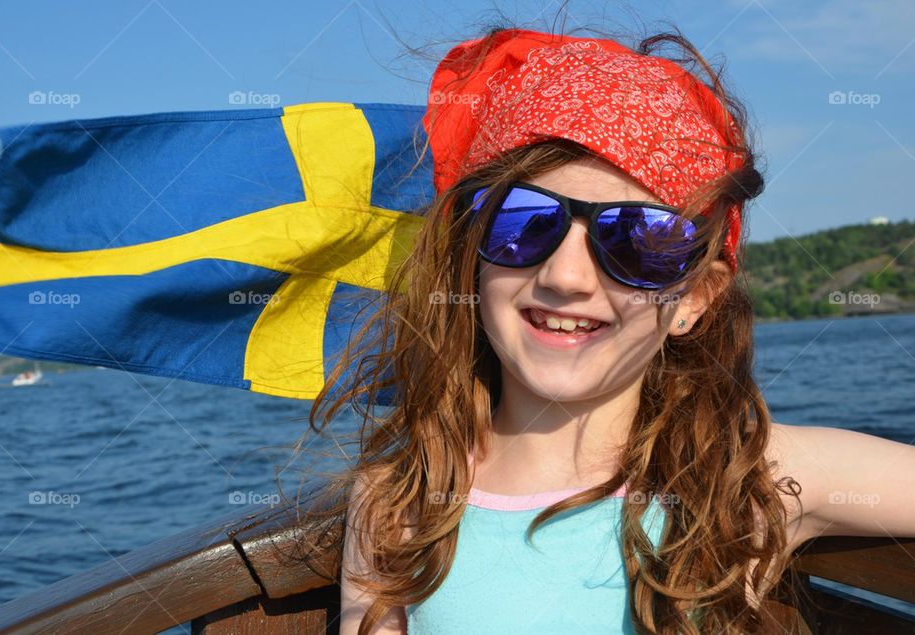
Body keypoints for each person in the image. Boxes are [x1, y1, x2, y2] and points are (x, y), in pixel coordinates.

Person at [302, 26, 915, 634]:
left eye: (639, 241)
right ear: (473, 256)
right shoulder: (397, 503)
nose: (567, 276)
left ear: (694, 298)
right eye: (522, 222)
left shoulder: (747, 476)